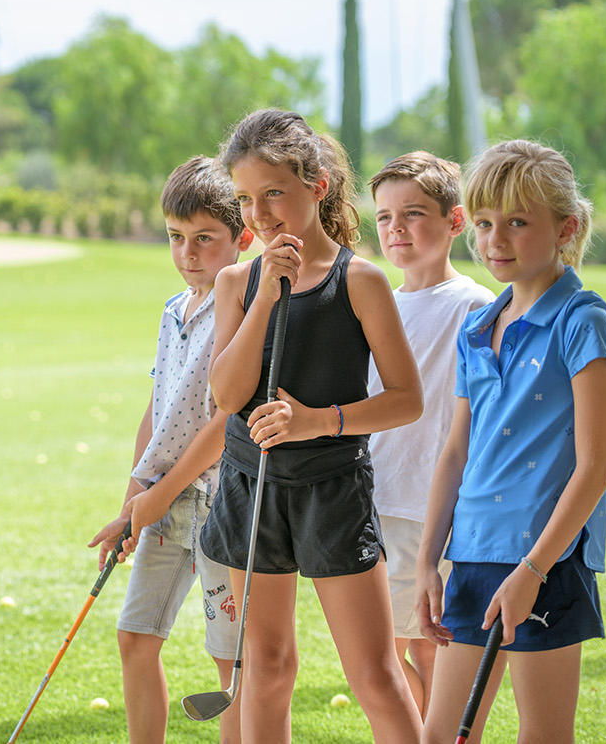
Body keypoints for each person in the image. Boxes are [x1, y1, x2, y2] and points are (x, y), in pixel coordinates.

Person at [196, 108, 424, 744]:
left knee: (375, 675)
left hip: (332, 489)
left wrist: (318, 421)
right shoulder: (237, 281)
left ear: (317, 187)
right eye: (245, 199)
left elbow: (407, 399)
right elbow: (226, 393)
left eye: (274, 193)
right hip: (252, 488)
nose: (259, 214)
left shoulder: (362, 281)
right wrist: (266, 294)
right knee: (264, 670)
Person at [415, 140, 606, 744]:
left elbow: (594, 466)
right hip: (473, 552)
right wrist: (430, 560)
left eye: (517, 223)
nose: (494, 240)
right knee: (442, 735)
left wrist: (533, 570)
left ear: (566, 228)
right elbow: (455, 453)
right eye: (482, 224)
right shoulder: (477, 327)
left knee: (543, 735)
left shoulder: (583, 321)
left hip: (546, 560)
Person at [89, 155, 252, 744]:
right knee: (135, 638)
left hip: (220, 506)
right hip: (161, 501)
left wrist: (159, 495)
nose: (188, 253)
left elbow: (226, 421)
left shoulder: (246, 307)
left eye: (205, 239)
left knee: (229, 661)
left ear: (243, 238)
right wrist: (134, 500)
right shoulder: (170, 310)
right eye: (176, 238)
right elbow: (157, 409)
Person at [365, 152, 496, 716]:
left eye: (413, 213)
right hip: (376, 501)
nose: (396, 228)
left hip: (438, 509)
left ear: (455, 222)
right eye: (385, 216)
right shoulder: (378, 305)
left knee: (433, 644)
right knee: (383, 650)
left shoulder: (477, 307)